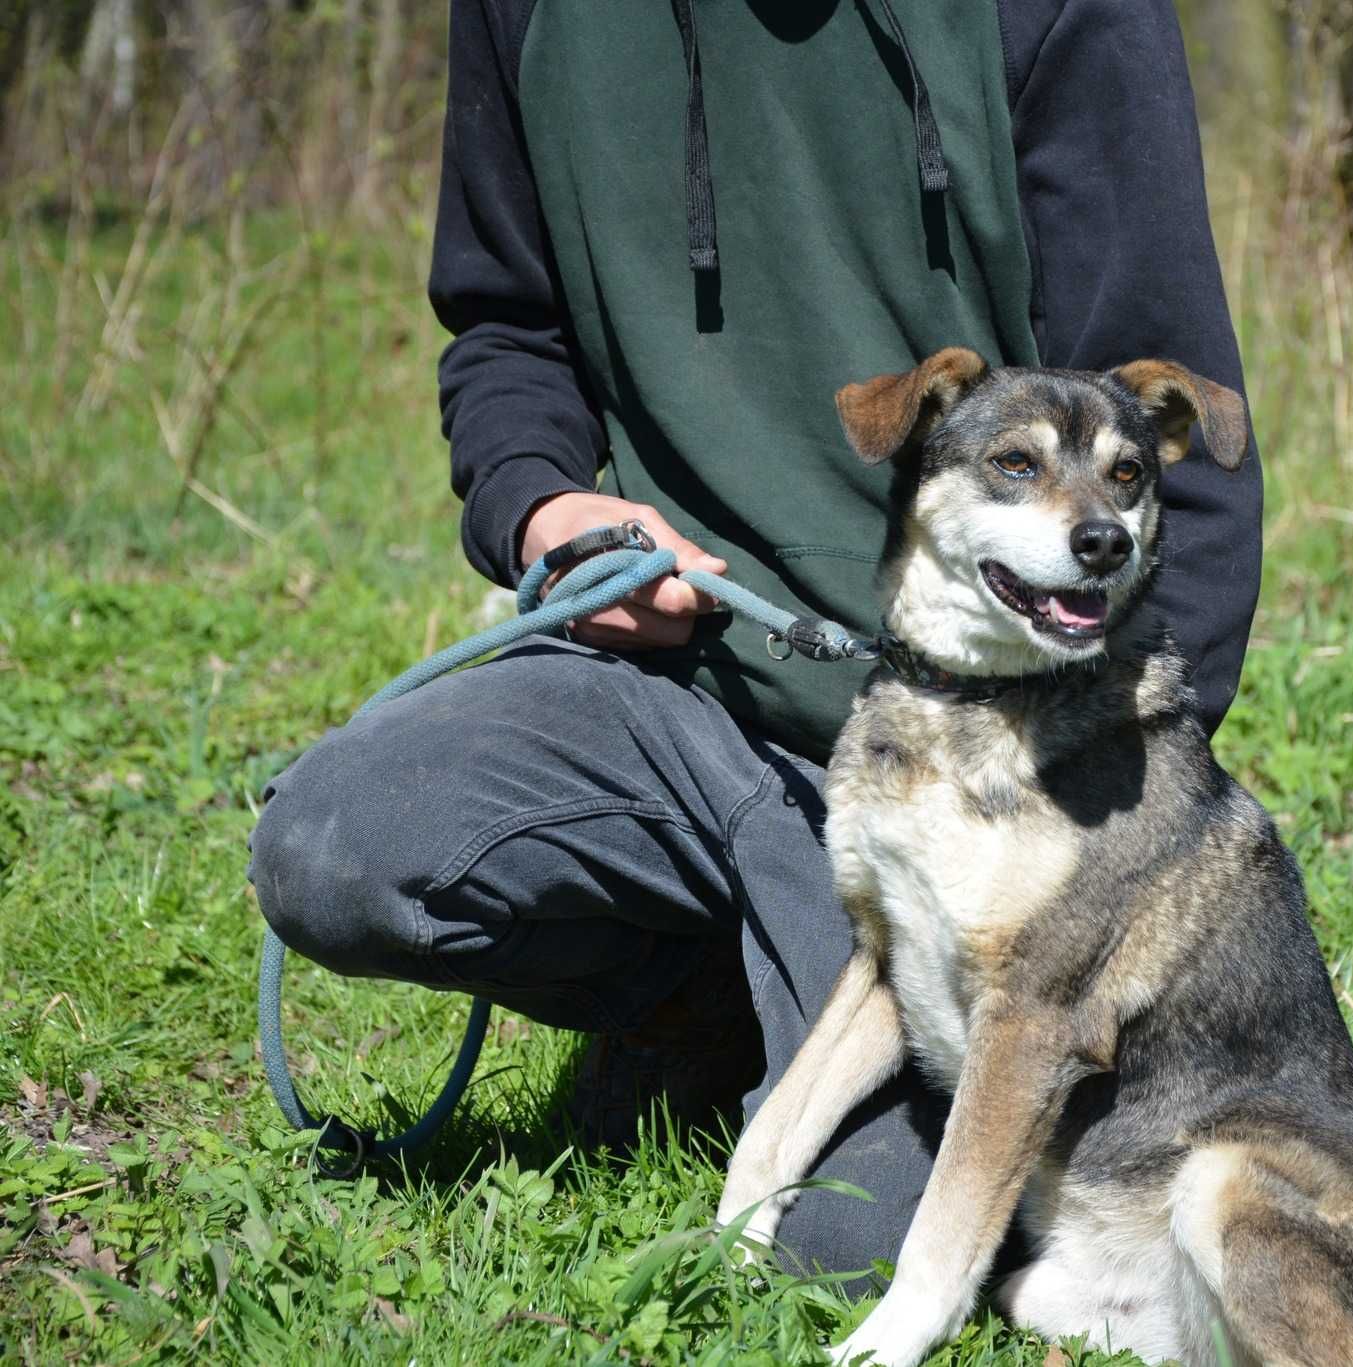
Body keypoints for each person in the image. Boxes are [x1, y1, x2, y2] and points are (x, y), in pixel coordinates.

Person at [250, 0, 1261, 1275]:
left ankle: (798, 987)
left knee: (850, 1242)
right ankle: (705, 1000)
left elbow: (1160, 434)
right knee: (342, 849)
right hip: (662, 686)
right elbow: (507, 324)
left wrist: (1099, 837)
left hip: (982, 761)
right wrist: (542, 502)